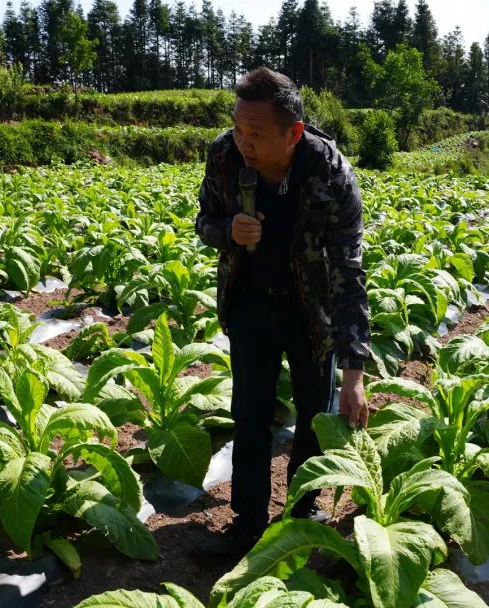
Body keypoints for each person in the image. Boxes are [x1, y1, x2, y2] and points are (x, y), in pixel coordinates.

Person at [193, 67, 370, 559]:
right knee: (249, 415)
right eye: (238, 128)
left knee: (316, 414)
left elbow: (348, 270)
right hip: (249, 302)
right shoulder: (224, 155)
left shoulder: (331, 173)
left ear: (294, 132)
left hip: (310, 313)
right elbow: (203, 221)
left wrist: (355, 369)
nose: (243, 141)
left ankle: (300, 514)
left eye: (256, 133)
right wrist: (228, 229)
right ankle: (247, 524)